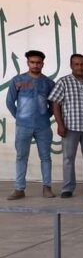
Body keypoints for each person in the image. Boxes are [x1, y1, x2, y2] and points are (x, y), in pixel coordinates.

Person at [48, 53, 83, 198]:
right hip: (70, 128)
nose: (80, 67)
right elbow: (55, 104)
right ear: (71, 65)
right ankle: (67, 188)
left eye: (82, 64)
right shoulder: (63, 82)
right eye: (76, 64)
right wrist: (60, 125)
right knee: (68, 159)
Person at [6, 50, 55, 200]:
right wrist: (20, 117)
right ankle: (19, 189)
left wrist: (45, 116)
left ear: (42, 64)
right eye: (32, 62)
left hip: (43, 126)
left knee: (45, 157)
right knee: (21, 156)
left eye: (38, 62)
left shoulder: (49, 83)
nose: (35, 65)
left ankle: (47, 188)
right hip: (23, 126)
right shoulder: (17, 80)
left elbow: (53, 105)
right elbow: (10, 102)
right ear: (28, 63)